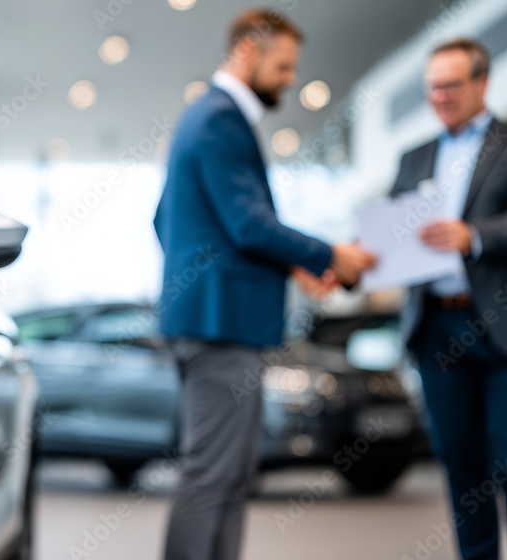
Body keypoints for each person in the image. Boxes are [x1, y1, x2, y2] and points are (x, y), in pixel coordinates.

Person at [153, 9, 375, 560]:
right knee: (213, 477)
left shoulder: (204, 117)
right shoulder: (220, 119)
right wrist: (330, 255)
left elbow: (167, 220)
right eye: (283, 66)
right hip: (221, 326)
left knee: (227, 475)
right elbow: (249, 223)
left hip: (214, 320)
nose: (289, 78)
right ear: (248, 51)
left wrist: (288, 265)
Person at [390, 38, 507, 560]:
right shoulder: (414, 158)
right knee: (461, 463)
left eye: (451, 85)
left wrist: (472, 236)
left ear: (482, 82)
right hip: (437, 331)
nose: (439, 96)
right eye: (432, 87)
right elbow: (392, 236)